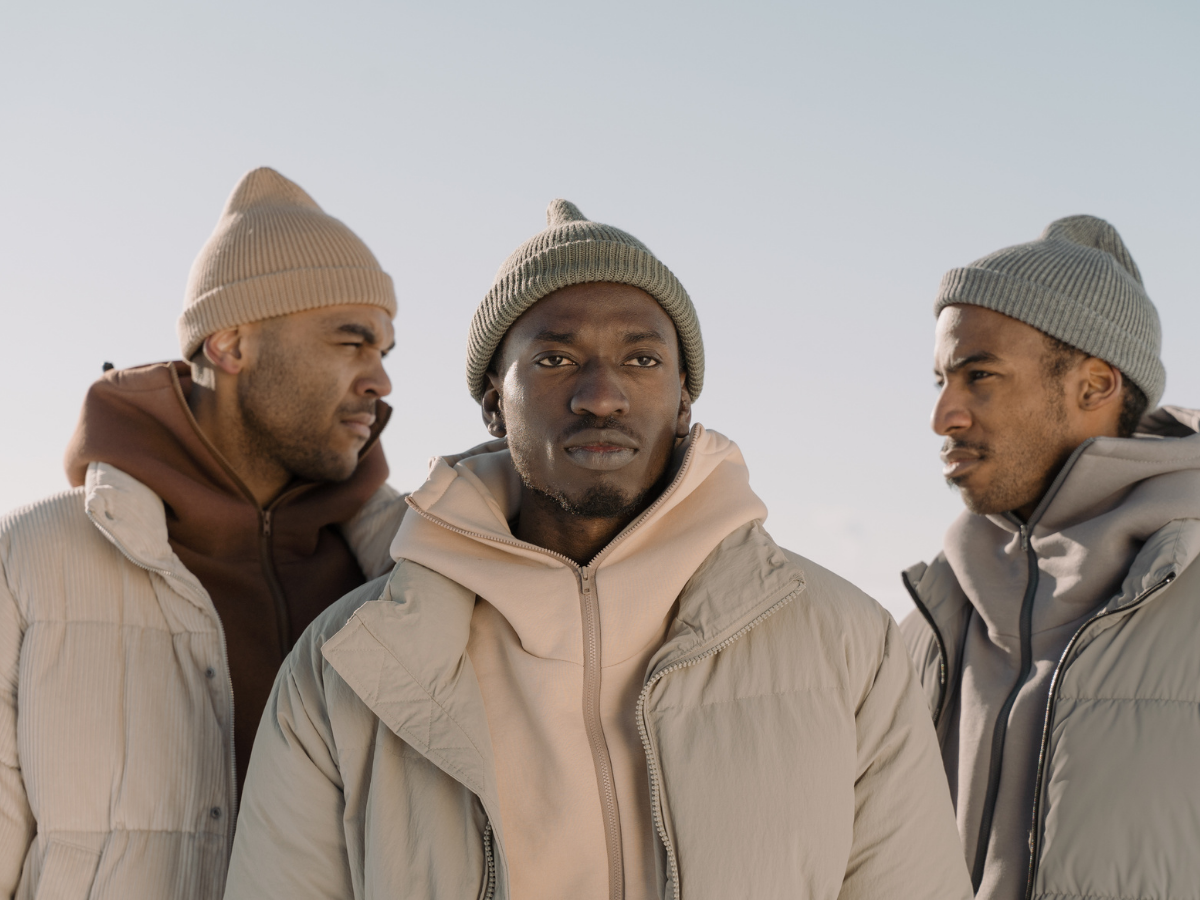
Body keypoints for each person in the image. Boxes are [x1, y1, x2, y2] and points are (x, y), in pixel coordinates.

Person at [224, 199, 971, 900]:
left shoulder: (847, 643)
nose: (601, 394)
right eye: (554, 361)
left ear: (685, 399)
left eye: (642, 360)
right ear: (492, 398)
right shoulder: (347, 666)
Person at [0, 167, 407, 899]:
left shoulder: (412, 573)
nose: (380, 381)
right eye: (351, 343)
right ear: (230, 344)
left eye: (384, 350)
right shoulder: (32, 557)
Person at [901, 215, 1200, 900]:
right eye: (941, 379)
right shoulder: (931, 620)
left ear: (1095, 385)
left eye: (980, 376)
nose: (943, 415)